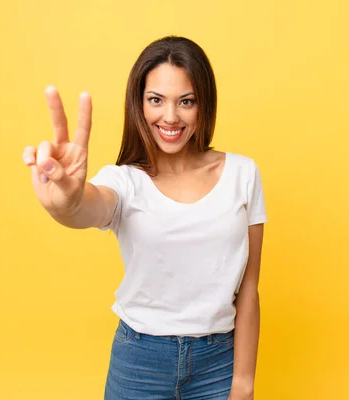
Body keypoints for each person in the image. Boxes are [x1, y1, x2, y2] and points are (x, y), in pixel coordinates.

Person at [22, 36, 267, 400]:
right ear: (139, 104)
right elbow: (88, 206)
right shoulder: (124, 180)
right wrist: (66, 201)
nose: (170, 116)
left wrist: (243, 383)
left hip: (219, 363)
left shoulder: (243, 174)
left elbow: (248, 288)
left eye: (186, 101)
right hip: (139, 362)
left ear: (204, 106)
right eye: (156, 100)